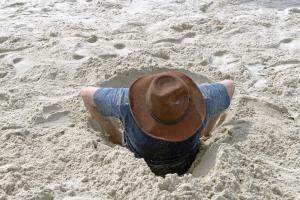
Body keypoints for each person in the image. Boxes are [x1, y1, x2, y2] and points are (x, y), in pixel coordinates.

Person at [80, 70, 234, 176]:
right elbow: (229, 85)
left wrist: (114, 134)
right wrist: (207, 130)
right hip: (187, 160)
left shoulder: (125, 102)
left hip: (139, 160)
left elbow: (85, 94)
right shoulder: (205, 101)